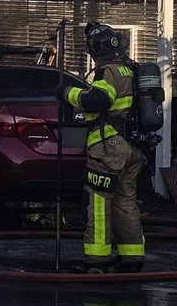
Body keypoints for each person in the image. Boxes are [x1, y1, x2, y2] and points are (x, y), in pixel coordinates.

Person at [58, 21, 146, 273]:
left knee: (97, 203)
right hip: (133, 148)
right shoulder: (132, 70)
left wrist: (66, 93)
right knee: (125, 202)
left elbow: (96, 100)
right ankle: (133, 257)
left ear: (95, 52)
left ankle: (96, 259)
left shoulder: (106, 72)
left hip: (109, 148)